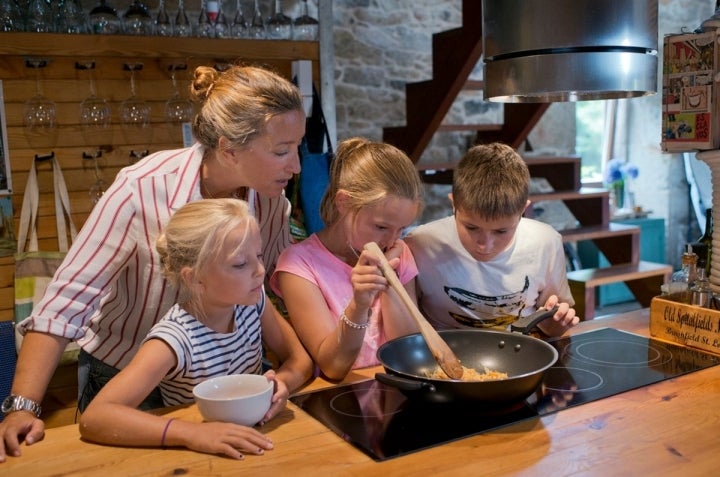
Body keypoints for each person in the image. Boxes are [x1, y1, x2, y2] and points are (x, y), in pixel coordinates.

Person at [1, 64, 306, 462]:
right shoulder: (140, 189)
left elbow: (275, 285)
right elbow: (65, 302)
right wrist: (23, 405)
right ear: (229, 149)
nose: (297, 165)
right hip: (125, 378)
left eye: (297, 146)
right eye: (282, 151)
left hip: (218, 378)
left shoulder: (269, 198)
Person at [79, 199, 311, 460]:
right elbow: (96, 417)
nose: (259, 271)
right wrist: (191, 434)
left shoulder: (253, 303)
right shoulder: (174, 339)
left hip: (256, 441)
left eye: (258, 255)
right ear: (195, 278)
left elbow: (300, 360)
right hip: (198, 457)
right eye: (240, 264)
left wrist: (281, 385)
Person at [270, 138, 424, 380]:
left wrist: (390, 279)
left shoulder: (397, 251)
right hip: (339, 394)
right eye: (381, 227)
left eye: (402, 229)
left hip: (398, 391)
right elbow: (333, 367)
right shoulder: (299, 264)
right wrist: (359, 304)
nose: (392, 239)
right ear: (344, 202)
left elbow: (407, 354)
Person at [405, 142, 579, 337]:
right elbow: (408, 322)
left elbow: (551, 324)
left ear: (523, 210)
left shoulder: (546, 242)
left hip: (520, 353)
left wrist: (557, 322)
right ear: (454, 204)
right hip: (443, 356)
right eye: (471, 227)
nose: (484, 245)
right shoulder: (420, 244)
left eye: (501, 231)